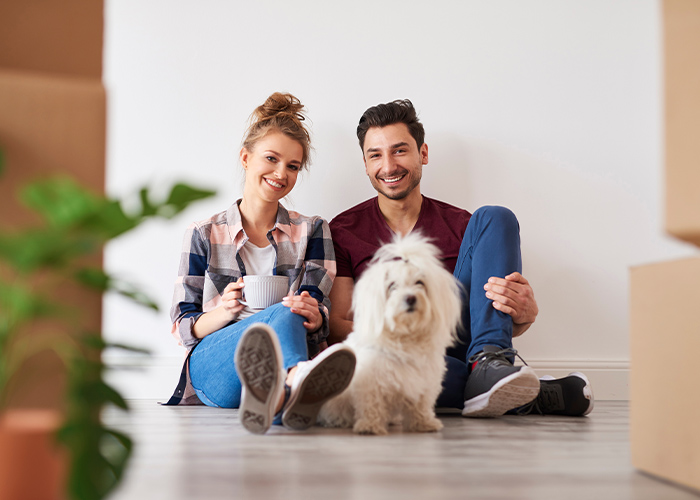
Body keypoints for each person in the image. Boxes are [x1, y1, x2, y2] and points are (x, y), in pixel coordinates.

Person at [328, 99, 593, 418]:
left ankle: (490, 361)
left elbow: (485, 314)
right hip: (394, 353)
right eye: (375, 155)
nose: (388, 166)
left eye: (400, 150)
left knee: (495, 217)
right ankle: (522, 392)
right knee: (430, 379)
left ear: (422, 153)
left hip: (458, 342)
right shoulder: (343, 229)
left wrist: (522, 317)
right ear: (366, 163)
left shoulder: (466, 228)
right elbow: (339, 324)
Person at [165, 92, 356, 435]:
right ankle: (297, 380)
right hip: (217, 365)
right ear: (245, 157)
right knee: (283, 313)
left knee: (290, 312)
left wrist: (316, 316)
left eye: (293, 166)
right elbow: (183, 326)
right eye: (271, 158)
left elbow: (319, 312)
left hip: (287, 350)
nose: (281, 173)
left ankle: (279, 396)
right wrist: (224, 311)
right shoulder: (203, 234)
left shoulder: (313, 230)